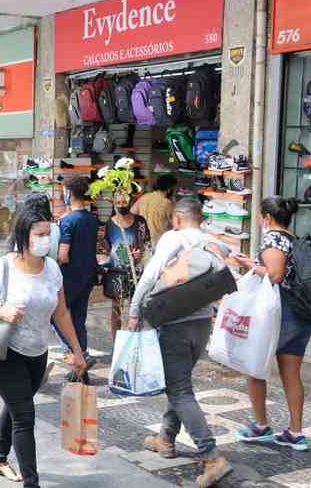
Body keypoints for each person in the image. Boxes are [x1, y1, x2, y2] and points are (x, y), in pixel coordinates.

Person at [0, 206, 87, 488]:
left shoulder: (52, 270)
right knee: (24, 416)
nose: (46, 240)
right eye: (40, 234)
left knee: (16, 405)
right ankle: (31, 482)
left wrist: (78, 350)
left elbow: (61, 312)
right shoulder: (3, 267)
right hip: (4, 352)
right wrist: (3, 313)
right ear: (24, 235)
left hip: (37, 352)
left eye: (49, 234)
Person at [128, 198, 232, 487]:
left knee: (180, 390)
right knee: (180, 384)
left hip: (174, 325)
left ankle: (212, 456)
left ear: (176, 219)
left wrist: (134, 311)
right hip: (202, 325)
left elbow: (150, 275)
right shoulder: (214, 242)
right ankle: (165, 438)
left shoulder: (173, 238)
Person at [233, 197, 311, 451]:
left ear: (267, 217)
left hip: (280, 314)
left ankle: (260, 425)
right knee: (291, 374)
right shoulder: (295, 239)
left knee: (254, 366)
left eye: (260, 216)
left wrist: (248, 265)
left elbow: (275, 275)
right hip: (300, 313)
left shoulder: (273, 238)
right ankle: (296, 432)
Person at [55, 176, 99, 373]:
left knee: (57, 316)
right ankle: (83, 352)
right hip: (88, 275)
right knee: (79, 317)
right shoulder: (93, 219)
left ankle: (74, 352)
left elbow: (63, 255)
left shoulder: (66, 221)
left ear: (69, 193)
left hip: (69, 277)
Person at [104, 188, 151, 337]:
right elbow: (107, 247)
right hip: (116, 273)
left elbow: (147, 244)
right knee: (116, 309)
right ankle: (117, 343)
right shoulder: (110, 224)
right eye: (118, 202)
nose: (121, 205)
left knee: (136, 308)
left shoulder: (140, 222)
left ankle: (134, 340)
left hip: (136, 272)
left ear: (130, 201)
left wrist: (141, 253)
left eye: (124, 201)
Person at [131, 174, 177, 247]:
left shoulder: (144, 197)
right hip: (158, 242)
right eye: (174, 189)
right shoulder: (167, 203)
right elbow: (175, 224)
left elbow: (131, 213)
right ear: (169, 189)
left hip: (141, 240)